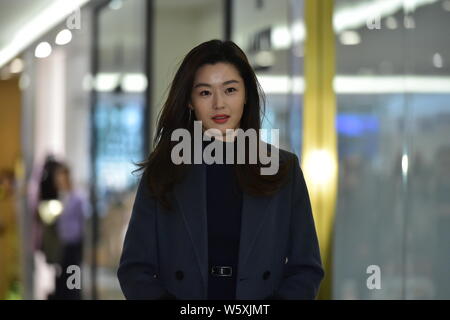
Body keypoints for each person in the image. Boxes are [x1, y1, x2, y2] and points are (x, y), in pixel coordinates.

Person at [117, 39, 324, 300]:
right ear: (190, 101)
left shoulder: (284, 169)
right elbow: (134, 270)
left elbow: (306, 269)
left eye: (230, 90)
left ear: (246, 94)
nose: (219, 104)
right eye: (205, 92)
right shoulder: (164, 171)